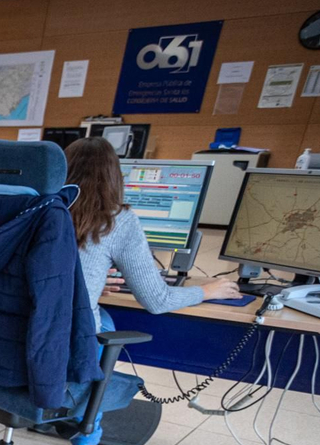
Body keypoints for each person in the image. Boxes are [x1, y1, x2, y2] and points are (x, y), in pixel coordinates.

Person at [64, 137, 239, 330]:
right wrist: (207, 291)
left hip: (33, 334)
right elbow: (157, 301)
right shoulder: (117, 219)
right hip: (72, 341)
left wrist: (86, 282)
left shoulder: (40, 210)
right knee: (103, 324)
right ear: (115, 177)